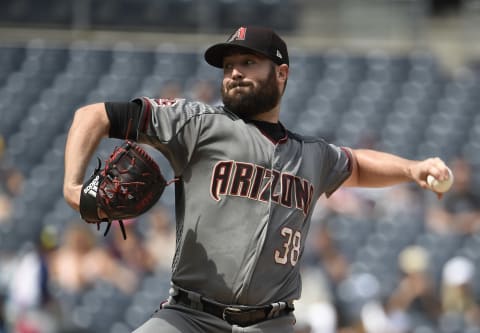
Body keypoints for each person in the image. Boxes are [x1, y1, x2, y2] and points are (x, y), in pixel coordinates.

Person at [63, 26, 452, 333]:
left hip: (272, 323)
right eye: (229, 64)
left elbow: (358, 165)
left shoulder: (311, 154)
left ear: (281, 74)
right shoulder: (197, 123)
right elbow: (92, 116)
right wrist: (72, 187)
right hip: (189, 318)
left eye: (248, 62)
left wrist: (412, 168)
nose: (234, 72)